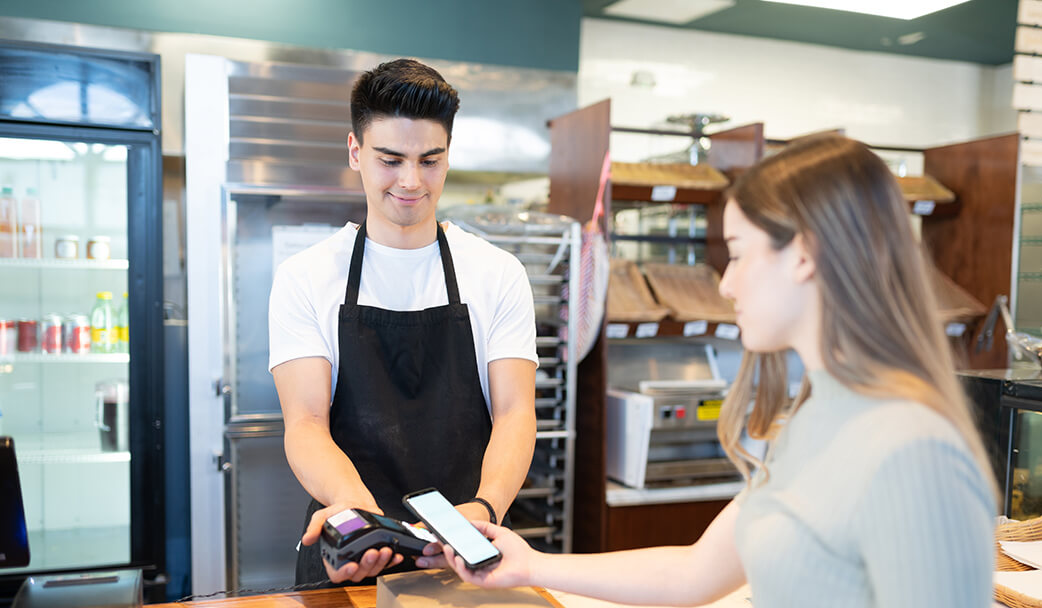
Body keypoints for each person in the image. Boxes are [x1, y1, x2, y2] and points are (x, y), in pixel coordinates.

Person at [427, 135, 998, 607]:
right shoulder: (815, 419)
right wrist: (531, 564)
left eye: (739, 252)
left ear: (804, 254)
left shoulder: (916, 453)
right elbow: (695, 573)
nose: (725, 284)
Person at [268, 58, 538, 586]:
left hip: (465, 552)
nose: (411, 181)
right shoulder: (306, 276)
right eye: (390, 159)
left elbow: (514, 414)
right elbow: (305, 425)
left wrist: (483, 508)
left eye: (429, 161)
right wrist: (362, 516)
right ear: (355, 152)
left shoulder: (498, 273)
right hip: (352, 547)